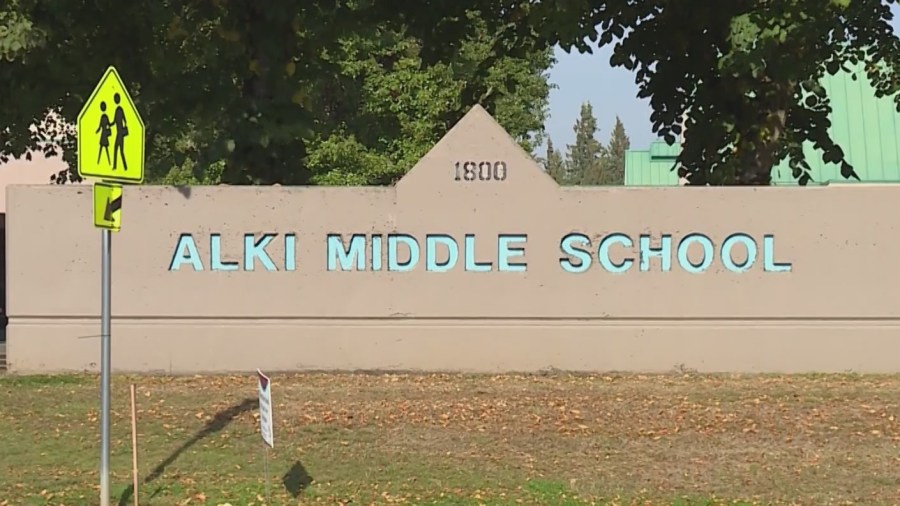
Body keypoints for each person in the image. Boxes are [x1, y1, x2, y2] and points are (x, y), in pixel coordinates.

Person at [112, 93, 128, 171]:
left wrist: (125, 126)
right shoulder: (117, 110)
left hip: (120, 133)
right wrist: (109, 124)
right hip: (119, 132)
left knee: (119, 150)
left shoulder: (119, 109)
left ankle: (124, 166)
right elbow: (114, 121)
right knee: (118, 150)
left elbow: (124, 119)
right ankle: (119, 166)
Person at [96, 101, 112, 166]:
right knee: (102, 148)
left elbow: (106, 124)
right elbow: (102, 125)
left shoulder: (104, 116)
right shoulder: (104, 116)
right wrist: (97, 131)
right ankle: (99, 162)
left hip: (104, 133)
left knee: (104, 148)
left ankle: (108, 162)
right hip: (103, 133)